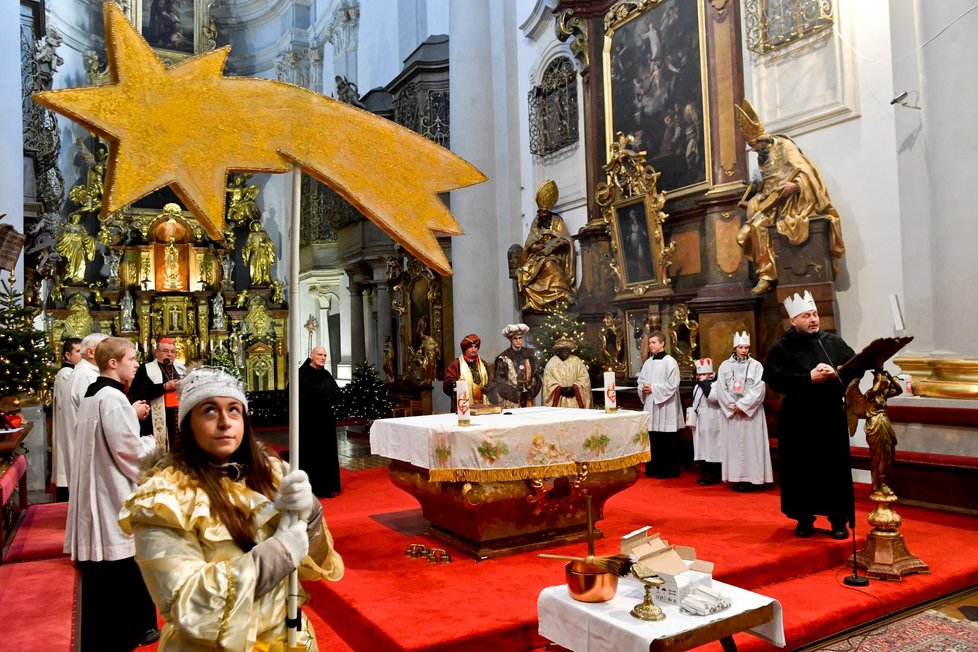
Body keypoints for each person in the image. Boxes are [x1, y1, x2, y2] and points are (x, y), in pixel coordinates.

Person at [120, 367, 343, 650]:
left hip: (288, 638)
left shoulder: (272, 473)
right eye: (210, 411)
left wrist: (310, 516)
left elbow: (312, 568)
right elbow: (185, 602)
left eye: (234, 410)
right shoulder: (163, 499)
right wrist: (277, 555)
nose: (225, 422)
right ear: (188, 423)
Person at [65, 337, 155, 650]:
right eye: (131, 358)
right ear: (113, 363)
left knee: (106, 568)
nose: (136, 364)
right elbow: (129, 453)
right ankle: (129, 631)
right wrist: (152, 447)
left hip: (99, 485)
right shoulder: (113, 399)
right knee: (123, 563)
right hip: (113, 489)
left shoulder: (95, 394)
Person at [763, 291, 864, 539]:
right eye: (806, 315)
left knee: (834, 469)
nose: (813, 319)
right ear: (793, 321)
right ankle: (804, 518)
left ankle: (838, 520)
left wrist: (837, 371)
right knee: (800, 469)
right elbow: (774, 380)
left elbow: (855, 368)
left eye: (815, 314)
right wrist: (808, 378)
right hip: (798, 418)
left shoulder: (833, 342)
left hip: (829, 415)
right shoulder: (781, 347)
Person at [734, 99, 846, 295]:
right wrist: (756, 195)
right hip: (772, 203)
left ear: (762, 139)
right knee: (749, 230)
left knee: (761, 226)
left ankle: (766, 276)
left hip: (795, 203)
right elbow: (769, 184)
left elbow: (806, 171)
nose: (753, 149)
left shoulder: (785, 146)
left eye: (753, 145)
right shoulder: (762, 157)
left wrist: (795, 185)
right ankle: (766, 274)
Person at [716, 332, 773, 492]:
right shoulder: (725, 366)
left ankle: (753, 479)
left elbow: (759, 388)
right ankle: (736, 478)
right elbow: (720, 388)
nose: (743, 350)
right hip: (733, 412)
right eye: (741, 347)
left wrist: (743, 405)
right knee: (734, 446)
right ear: (735, 348)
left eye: (746, 347)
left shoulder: (756, 366)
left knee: (752, 445)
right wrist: (732, 405)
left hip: (750, 413)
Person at [516, 180, 576, 312]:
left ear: (549, 212)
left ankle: (563, 293)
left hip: (554, 256)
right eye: (540, 212)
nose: (542, 214)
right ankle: (532, 301)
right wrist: (534, 247)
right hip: (537, 256)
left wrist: (559, 242)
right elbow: (529, 242)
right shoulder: (535, 222)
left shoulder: (557, 221)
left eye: (544, 212)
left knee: (549, 264)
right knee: (524, 270)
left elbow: (567, 240)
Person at [637, 330, 683, 478]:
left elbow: (673, 385)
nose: (651, 345)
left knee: (667, 439)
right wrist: (643, 388)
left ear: (662, 343)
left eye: (654, 342)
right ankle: (654, 468)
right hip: (651, 403)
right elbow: (641, 380)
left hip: (666, 406)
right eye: (649, 343)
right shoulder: (648, 363)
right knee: (654, 438)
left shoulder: (670, 361)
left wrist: (654, 388)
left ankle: (668, 470)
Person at [298, 346, 342, 497]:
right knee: (311, 455)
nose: (323, 357)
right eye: (319, 354)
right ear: (311, 355)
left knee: (326, 454)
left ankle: (327, 486)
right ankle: (310, 487)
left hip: (326, 422)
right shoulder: (301, 374)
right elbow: (295, 396)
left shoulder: (326, 375)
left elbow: (336, 394)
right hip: (308, 422)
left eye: (325, 355)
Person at [128, 337, 185, 447]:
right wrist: (164, 387)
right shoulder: (145, 369)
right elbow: (135, 393)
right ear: (156, 352)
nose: (170, 354)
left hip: (178, 415)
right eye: (165, 351)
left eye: (173, 352)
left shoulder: (181, 369)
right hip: (154, 420)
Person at [52, 337, 82, 502]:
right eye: (78, 352)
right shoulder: (66, 374)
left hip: (73, 428)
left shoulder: (75, 373)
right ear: (67, 355)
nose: (82, 355)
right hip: (69, 429)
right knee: (68, 470)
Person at [688, 357, 722, 486]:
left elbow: (713, 398)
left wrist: (704, 383)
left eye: (702, 374)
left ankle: (714, 475)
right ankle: (705, 472)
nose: (700, 377)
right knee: (702, 446)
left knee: (712, 446)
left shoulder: (716, 383)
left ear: (709, 374)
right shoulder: (697, 385)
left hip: (712, 416)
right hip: (701, 418)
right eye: (699, 374)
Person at [494, 323, 542, 409]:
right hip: (511, 400)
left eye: (520, 338)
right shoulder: (504, 357)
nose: (518, 341)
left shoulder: (530, 354)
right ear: (511, 340)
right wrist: (515, 392)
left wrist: (531, 391)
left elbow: (536, 375)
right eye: (515, 338)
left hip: (528, 398)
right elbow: (500, 380)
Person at [443, 333, 495, 408]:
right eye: (471, 347)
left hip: (483, 405)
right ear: (465, 349)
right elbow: (447, 384)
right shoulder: (456, 364)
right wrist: (455, 384)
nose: (474, 349)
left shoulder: (483, 364)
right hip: (463, 407)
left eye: (476, 347)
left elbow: (491, 379)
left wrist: (490, 386)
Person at [542, 336, 592, 409]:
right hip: (559, 400)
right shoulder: (551, 364)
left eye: (567, 349)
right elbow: (548, 382)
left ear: (570, 350)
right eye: (562, 350)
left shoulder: (576, 361)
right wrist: (560, 389)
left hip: (575, 400)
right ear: (558, 350)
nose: (564, 352)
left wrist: (575, 387)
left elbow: (584, 378)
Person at [56, 212, 96, 283]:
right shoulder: (67, 226)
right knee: (69, 261)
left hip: (79, 246)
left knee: (81, 260)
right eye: (75, 217)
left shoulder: (81, 227)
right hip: (70, 246)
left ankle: (79, 278)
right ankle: (69, 275)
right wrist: (72, 235)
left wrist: (90, 239)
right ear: (72, 218)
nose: (76, 219)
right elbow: (62, 236)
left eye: (78, 218)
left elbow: (85, 236)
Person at [242, 220, 276, 286]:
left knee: (263, 266)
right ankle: (255, 280)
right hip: (255, 252)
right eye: (255, 226)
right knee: (253, 265)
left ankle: (264, 280)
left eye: (258, 225)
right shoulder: (251, 235)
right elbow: (247, 244)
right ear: (253, 227)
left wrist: (265, 244)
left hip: (263, 252)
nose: (256, 227)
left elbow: (269, 243)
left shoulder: (264, 234)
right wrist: (249, 248)